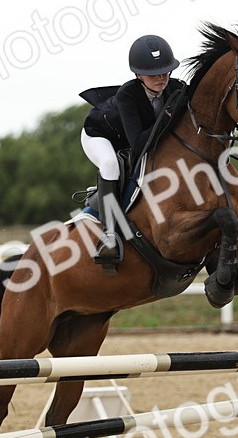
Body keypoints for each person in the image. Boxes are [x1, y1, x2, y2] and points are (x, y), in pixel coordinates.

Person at [80, 34, 186, 265]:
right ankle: (108, 236)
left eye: (165, 71)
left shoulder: (177, 88)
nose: (161, 77)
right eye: (153, 73)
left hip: (132, 138)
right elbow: (139, 144)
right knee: (109, 165)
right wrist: (168, 116)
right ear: (138, 75)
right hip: (100, 136)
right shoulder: (128, 95)